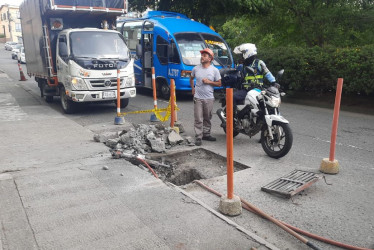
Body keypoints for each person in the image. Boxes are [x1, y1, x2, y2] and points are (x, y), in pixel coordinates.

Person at [190, 48, 222, 146]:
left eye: (204, 55)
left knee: (207, 117)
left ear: (210, 58)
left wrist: (209, 82)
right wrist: (192, 88)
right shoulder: (196, 68)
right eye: (202, 55)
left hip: (209, 98)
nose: (202, 57)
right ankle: (199, 137)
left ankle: (206, 134)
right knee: (198, 118)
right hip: (198, 97)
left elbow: (219, 83)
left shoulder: (215, 70)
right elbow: (191, 78)